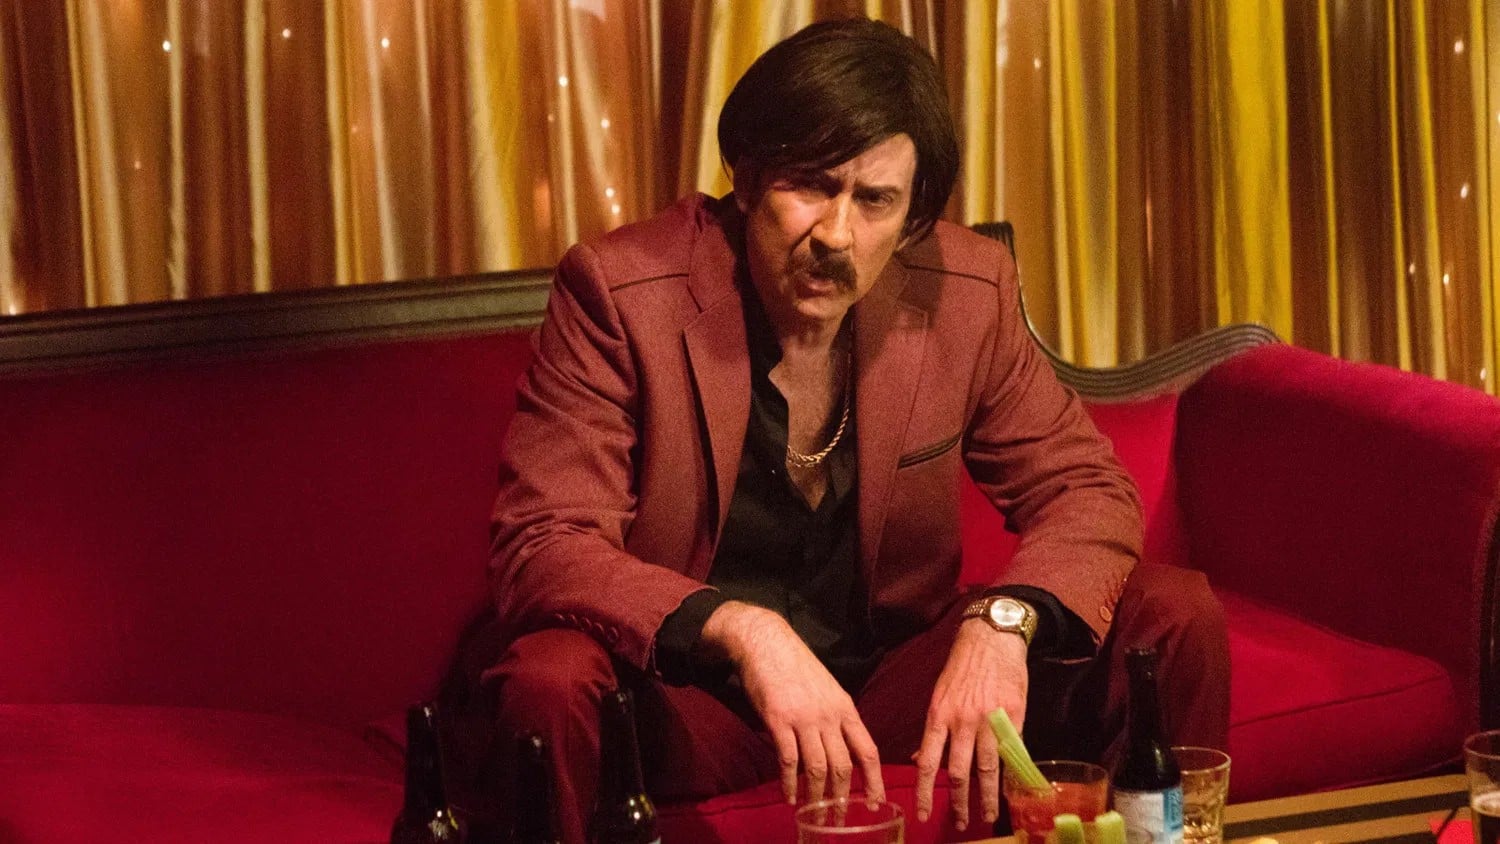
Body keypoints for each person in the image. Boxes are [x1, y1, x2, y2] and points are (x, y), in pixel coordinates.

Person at [455, 17, 1228, 843]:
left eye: (874, 201)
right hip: (689, 698)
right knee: (551, 678)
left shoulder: (967, 289)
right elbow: (544, 541)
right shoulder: (619, 293)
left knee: (1171, 613)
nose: (835, 235)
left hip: (887, 681)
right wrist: (743, 629)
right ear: (748, 180)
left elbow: (1087, 487)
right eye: (809, 186)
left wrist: (1004, 621)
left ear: (913, 213)